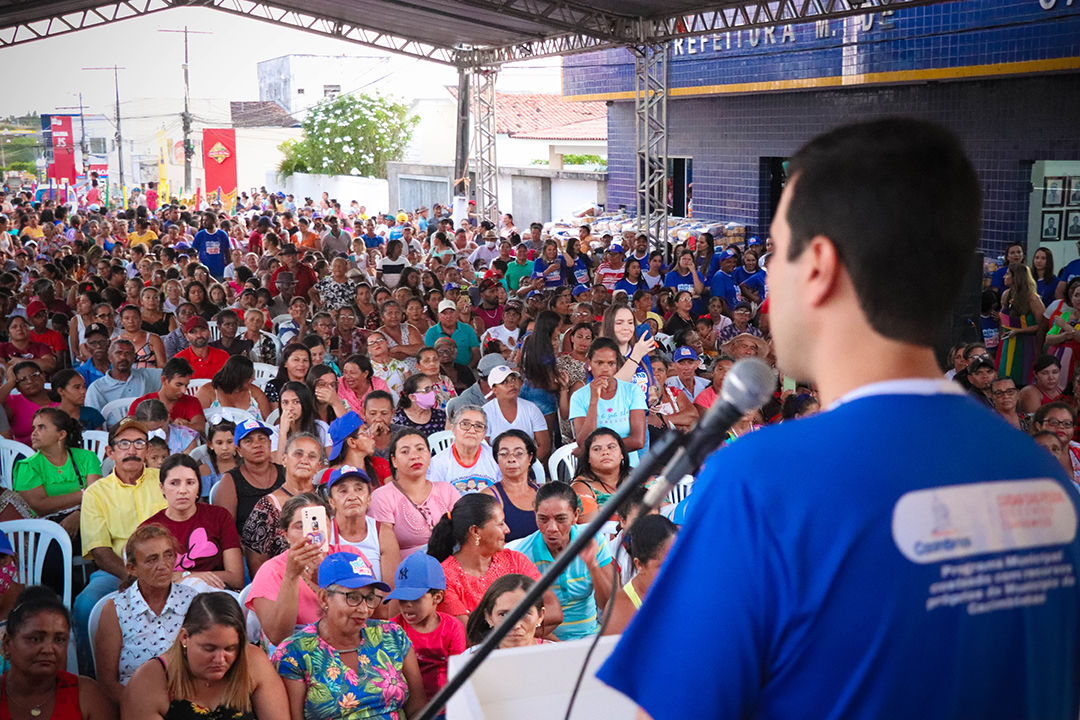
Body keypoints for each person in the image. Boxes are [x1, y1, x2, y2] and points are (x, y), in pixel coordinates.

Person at [599, 118, 1080, 720]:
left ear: (819, 266)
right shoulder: (1046, 480)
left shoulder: (761, 484)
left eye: (777, 253)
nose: (767, 277)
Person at [272, 550, 426, 720]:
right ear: (324, 598)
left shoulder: (392, 635)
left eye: (369, 598)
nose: (364, 609)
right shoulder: (293, 653)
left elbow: (418, 709)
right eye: (353, 597)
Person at [73, 419, 166, 675]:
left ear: (148, 450)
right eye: (124, 444)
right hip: (117, 570)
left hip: (168, 566)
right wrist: (132, 576)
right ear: (110, 452)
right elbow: (100, 550)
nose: (132, 450)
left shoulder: (164, 481)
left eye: (139, 443)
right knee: (85, 605)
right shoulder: (96, 493)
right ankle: (92, 679)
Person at [122, 592, 288, 720]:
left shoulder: (253, 662)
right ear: (184, 637)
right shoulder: (149, 681)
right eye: (209, 649)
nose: (220, 659)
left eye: (230, 648)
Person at [93, 524, 200, 703]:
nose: (163, 565)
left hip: (188, 701)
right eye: (152, 559)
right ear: (132, 568)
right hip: (135, 703)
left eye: (168, 555)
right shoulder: (116, 610)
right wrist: (144, 706)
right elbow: (107, 683)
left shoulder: (191, 600)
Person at [426, 493, 561, 630]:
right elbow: (468, 634)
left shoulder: (515, 560)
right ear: (475, 531)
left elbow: (554, 612)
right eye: (500, 524)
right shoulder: (444, 577)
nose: (507, 530)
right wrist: (527, 622)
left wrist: (494, 625)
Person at [514, 482, 613, 640]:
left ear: (575, 516)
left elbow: (608, 603)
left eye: (561, 519)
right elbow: (525, 621)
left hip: (590, 636)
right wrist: (560, 647)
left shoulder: (593, 540)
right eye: (543, 519)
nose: (551, 528)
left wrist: (592, 565)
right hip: (547, 641)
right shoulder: (523, 556)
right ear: (535, 514)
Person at [0, 586, 115, 720]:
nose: (49, 649)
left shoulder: (86, 696)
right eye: (35, 639)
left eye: (59, 640)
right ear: (7, 643)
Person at [141, 455, 243, 591]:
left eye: (190, 483)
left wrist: (191, 577)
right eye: (174, 483)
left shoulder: (219, 516)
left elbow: (236, 578)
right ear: (162, 488)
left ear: (198, 486)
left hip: (215, 596)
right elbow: (146, 580)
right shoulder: (149, 529)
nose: (183, 490)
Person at [386, 552, 467, 701]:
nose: (408, 605)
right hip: (408, 704)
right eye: (402, 599)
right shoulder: (393, 628)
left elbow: (459, 673)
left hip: (446, 704)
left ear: (437, 597)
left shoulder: (453, 627)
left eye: (415, 599)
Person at [368, 429, 460, 558]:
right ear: (394, 461)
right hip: (407, 568)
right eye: (405, 451)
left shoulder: (447, 490)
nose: (415, 456)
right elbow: (385, 553)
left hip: (452, 565)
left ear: (429, 455)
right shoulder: (382, 497)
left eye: (420, 449)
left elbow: (464, 534)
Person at [242, 433, 324, 573]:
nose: (304, 460)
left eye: (312, 456)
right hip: (283, 580)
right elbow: (257, 564)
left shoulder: (327, 498)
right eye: (298, 454)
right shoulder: (267, 507)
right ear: (284, 459)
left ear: (318, 466)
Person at [14, 407, 102, 530]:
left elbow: (97, 496)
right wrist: (84, 493)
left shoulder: (87, 457)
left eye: (41, 427)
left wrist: (79, 513)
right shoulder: (28, 466)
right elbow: (40, 506)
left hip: (87, 516)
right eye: (34, 428)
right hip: (45, 529)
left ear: (61, 434)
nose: (34, 433)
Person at [569, 338, 647, 464]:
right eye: (599, 363)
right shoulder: (579, 397)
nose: (605, 369)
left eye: (611, 363)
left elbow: (638, 441)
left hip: (627, 467)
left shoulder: (632, 391)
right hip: (595, 468)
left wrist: (596, 449)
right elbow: (583, 443)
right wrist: (593, 401)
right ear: (589, 363)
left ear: (617, 366)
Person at [321, 465, 401, 587]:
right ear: (332, 502)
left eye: (359, 489)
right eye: (343, 491)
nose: (352, 497)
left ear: (369, 499)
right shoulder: (323, 533)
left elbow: (391, 590)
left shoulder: (382, 533)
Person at [601, 515, 677, 636]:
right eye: (663, 566)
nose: (673, 572)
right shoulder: (619, 610)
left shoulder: (687, 586)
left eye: (677, 562)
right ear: (639, 565)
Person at [211, 419, 286, 534]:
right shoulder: (231, 480)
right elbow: (225, 529)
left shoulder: (285, 473)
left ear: (270, 443)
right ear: (239, 450)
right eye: (248, 441)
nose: (257, 444)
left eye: (262, 439)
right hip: (246, 543)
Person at [428, 405, 501, 495]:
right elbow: (436, 498)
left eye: (479, 426)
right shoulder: (438, 463)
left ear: (484, 434)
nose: (472, 430)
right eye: (465, 424)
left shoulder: (496, 458)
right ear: (453, 429)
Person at [464, 574, 549, 649]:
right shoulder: (469, 660)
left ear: (540, 616)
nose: (515, 625)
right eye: (503, 614)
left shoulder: (555, 655)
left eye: (525, 614)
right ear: (489, 617)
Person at [483, 430, 539, 542]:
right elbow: (489, 543)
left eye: (519, 453)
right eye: (504, 454)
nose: (511, 459)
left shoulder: (541, 492)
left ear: (530, 458)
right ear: (497, 460)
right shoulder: (489, 497)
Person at [127, 359, 205, 434]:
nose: (183, 390)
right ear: (164, 380)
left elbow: (200, 427)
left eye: (186, 385)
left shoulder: (191, 401)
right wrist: (172, 425)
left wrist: (177, 426)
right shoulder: (140, 403)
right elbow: (126, 425)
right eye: (178, 385)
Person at [84, 340, 162, 411]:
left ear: (134, 358)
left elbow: (168, 375)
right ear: (110, 357)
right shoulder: (97, 388)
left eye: (128, 353)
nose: (123, 357)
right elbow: (93, 419)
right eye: (119, 353)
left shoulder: (147, 376)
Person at [197, 355, 270, 423]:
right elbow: (196, 420)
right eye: (249, 377)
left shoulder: (255, 392)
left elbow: (268, 421)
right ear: (238, 378)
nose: (254, 379)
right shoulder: (207, 392)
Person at [1, 361, 57, 445]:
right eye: (22, 380)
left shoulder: (60, 394)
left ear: (43, 375)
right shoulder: (13, 402)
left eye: (33, 375)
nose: (30, 381)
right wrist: (10, 382)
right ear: (16, 386)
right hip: (26, 452)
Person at [425, 300, 480, 368]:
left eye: (451, 312)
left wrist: (467, 370)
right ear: (439, 316)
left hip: (468, 368)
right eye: (444, 313)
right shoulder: (431, 333)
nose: (449, 316)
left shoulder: (467, 329)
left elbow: (476, 353)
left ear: (457, 313)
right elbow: (430, 356)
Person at [393, 373, 448, 438]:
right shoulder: (396, 420)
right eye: (427, 390)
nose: (432, 393)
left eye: (432, 388)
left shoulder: (441, 416)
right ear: (413, 397)